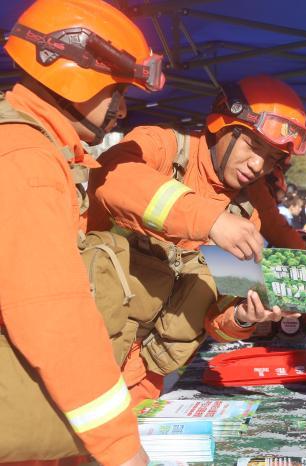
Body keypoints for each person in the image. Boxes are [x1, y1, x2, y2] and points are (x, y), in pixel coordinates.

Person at [0, 1, 164, 464]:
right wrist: (121, 449)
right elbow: (53, 315)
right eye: (118, 89)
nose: (123, 108)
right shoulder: (26, 161)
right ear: (74, 71)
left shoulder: (31, 148)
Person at [87, 75, 306, 405]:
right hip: (84, 363)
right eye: (252, 145)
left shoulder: (245, 214)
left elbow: (215, 323)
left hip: (146, 385)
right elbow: (109, 176)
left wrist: (243, 316)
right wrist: (210, 220)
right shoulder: (162, 146)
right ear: (220, 126)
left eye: (272, 158)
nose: (258, 165)